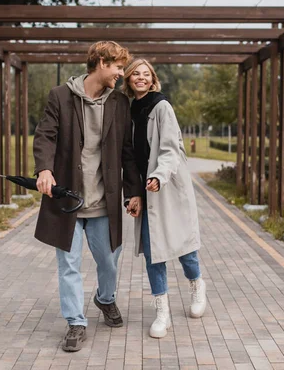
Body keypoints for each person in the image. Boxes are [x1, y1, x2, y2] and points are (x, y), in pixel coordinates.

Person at [33, 41, 142, 352]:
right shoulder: (61, 96)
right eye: (118, 67)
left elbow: (127, 152)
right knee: (68, 264)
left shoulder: (120, 103)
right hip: (67, 201)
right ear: (101, 63)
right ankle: (76, 322)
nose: (122, 73)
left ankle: (105, 299)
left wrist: (132, 192)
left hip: (103, 201)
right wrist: (44, 169)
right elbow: (45, 135)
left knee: (109, 262)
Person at [122, 58, 207, 339]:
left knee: (183, 247)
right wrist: (134, 193)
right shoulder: (127, 109)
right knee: (153, 252)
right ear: (129, 78)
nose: (141, 78)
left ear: (153, 79)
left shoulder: (162, 107)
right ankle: (163, 312)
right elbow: (129, 157)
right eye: (136, 74)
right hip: (146, 191)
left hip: (166, 186)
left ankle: (196, 285)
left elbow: (170, 149)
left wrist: (159, 176)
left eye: (146, 74)